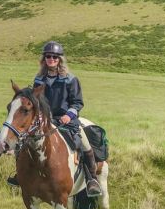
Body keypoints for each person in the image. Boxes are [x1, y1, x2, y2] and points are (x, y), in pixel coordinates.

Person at [6, 41, 102, 197]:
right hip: (45, 120)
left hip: (66, 120)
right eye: (48, 56)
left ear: (60, 59)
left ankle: (91, 179)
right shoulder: (39, 79)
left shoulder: (71, 79)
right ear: (44, 59)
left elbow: (77, 103)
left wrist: (68, 115)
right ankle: (20, 175)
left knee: (84, 143)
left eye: (54, 57)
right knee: (24, 142)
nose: (51, 59)